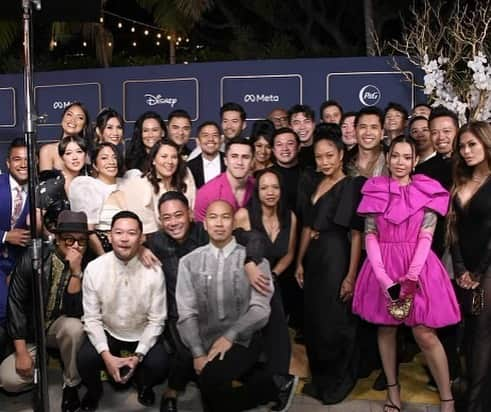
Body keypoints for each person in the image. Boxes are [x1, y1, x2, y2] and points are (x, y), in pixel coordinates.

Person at [142, 191, 288, 412]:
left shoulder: (254, 261)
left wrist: (230, 336)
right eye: (213, 218)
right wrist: (199, 352)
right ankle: (272, 385)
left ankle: (269, 387)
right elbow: (187, 311)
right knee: (211, 389)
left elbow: (260, 309)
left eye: (225, 217)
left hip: (242, 338)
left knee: (211, 386)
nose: (219, 224)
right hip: (203, 333)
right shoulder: (188, 261)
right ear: (205, 223)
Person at [352, 135, 461, 412]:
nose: (400, 162)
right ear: (388, 159)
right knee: (386, 328)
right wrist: (384, 279)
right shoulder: (374, 189)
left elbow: (427, 237)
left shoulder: (428, 190)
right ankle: (393, 391)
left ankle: (447, 396)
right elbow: (370, 236)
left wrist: (411, 277)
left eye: (406, 157)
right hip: (382, 267)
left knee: (425, 334)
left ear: (414, 161)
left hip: (419, 266)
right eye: (395, 156)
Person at [294, 129, 364, 404]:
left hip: (337, 256)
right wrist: (299, 261)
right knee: (314, 321)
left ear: (341, 154)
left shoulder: (350, 185)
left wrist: (350, 275)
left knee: (335, 321)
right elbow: (307, 226)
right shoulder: (314, 183)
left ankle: (338, 381)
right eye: (319, 157)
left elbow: (356, 233)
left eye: (329, 156)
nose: (324, 162)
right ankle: (321, 379)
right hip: (314, 259)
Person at [77, 211, 169, 411]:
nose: (125, 239)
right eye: (119, 232)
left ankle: (144, 385)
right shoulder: (94, 269)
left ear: (141, 238)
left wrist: (138, 356)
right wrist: (106, 356)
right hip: (109, 329)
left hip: (140, 331)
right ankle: (94, 392)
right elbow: (91, 318)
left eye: (131, 233)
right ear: (110, 236)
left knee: (160, 364)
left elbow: (157, 321)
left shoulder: (154, 271)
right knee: (84, 359)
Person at [0, 210, 88, 412]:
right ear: (57, 239)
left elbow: (76, 312)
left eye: (81, 241)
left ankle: (71, 384)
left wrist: (76, 273)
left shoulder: (87, 263)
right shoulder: (34, 256)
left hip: (58, 327)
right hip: (31, 330)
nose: (75, 246)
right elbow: (16, 304)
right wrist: (22, 353)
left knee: (75, 328)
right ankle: (42, 362)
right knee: (8, 381)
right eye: (69, 240)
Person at [448, 121, 491, 412]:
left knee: (483, 333)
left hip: (488, 269)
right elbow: (453, 231)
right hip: (464, 269)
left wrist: (478, 272)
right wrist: (462, 268)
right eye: (462, 146)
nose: (466, 151)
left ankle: (477, 404)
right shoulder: (459, 181)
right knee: (468, 333)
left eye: (472, 144)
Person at [121, 139, 196, 235]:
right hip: (156, 238)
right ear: (153, 160)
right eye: (164, 156)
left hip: (186, 233)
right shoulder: (142, 184)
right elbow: (146, 227)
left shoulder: (185, 175)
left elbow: (191, 209)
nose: (170, 161)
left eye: (174, 157)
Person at [0, 138, 30, 366]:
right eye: (17, 159)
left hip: (22, 267)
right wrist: (4, 236)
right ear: (8, 163)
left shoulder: (41, 191)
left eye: (27, 159)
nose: (23, 164)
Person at [69, 142, 126, 256]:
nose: (111, 162)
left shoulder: (128, 183)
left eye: (114, 157)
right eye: (104, 158)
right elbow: (89, 231)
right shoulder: (89, 187)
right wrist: (103, 258)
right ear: (95, 165)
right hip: (103, 250)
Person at [194, 137, 255, 221]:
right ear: (226, 160)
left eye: (245, 157)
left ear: (252, 162)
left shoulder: (259, 187)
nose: (240, 162)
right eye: (234, 156)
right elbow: (201, 231)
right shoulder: (206, 194)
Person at [38, 135, 88, 234]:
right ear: (62, 158)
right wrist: (51, 238)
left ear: (85, 155)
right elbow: (34, 218)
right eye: (68, 153)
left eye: (79, 152)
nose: (75, 157)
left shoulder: (88, 183)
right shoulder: (52, 183)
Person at [39, 101, 91, 172]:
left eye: (80, 118)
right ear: (62, 118)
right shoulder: (48, 150)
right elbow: (45, 181)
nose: (73, 120)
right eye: (69, 115)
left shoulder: (88, 153)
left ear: (85, 125)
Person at [346, 106, 387, 178]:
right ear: (355, 131)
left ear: (382, 133)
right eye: (363, 127)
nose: (368, 132)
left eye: (374, 127)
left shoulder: (392, 161)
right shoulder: (344, 163)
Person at [186, 121, 225, 189]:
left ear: (221, 140)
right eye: (205, 135)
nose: (210, 139)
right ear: (198, 141)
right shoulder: (189, 167)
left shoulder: (231, 162)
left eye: (215, 135)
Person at [288, 104, 316, 170]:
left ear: (314, 125)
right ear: (290, 127)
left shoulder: (323, 149)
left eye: (307, 121)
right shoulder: (286, 152)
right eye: (296, 123)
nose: (302, 127)